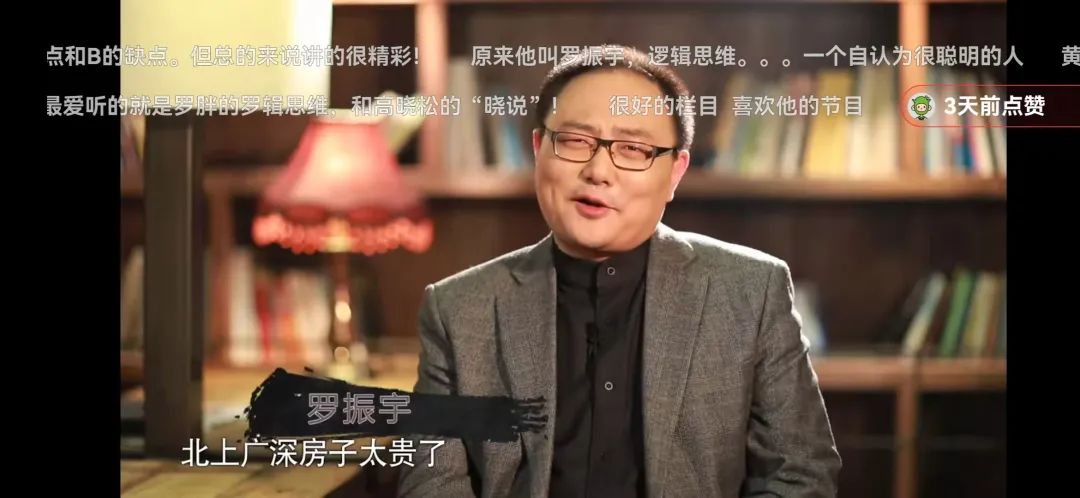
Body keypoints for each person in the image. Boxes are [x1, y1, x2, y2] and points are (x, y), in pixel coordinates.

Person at [397, 45, 841, 498]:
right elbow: (431, 482)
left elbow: (801, 473)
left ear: (675, 173)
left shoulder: (751, 292)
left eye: (633, 149)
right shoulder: (458, 309)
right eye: (575, 140)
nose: (598, 171)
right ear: (537, 149)